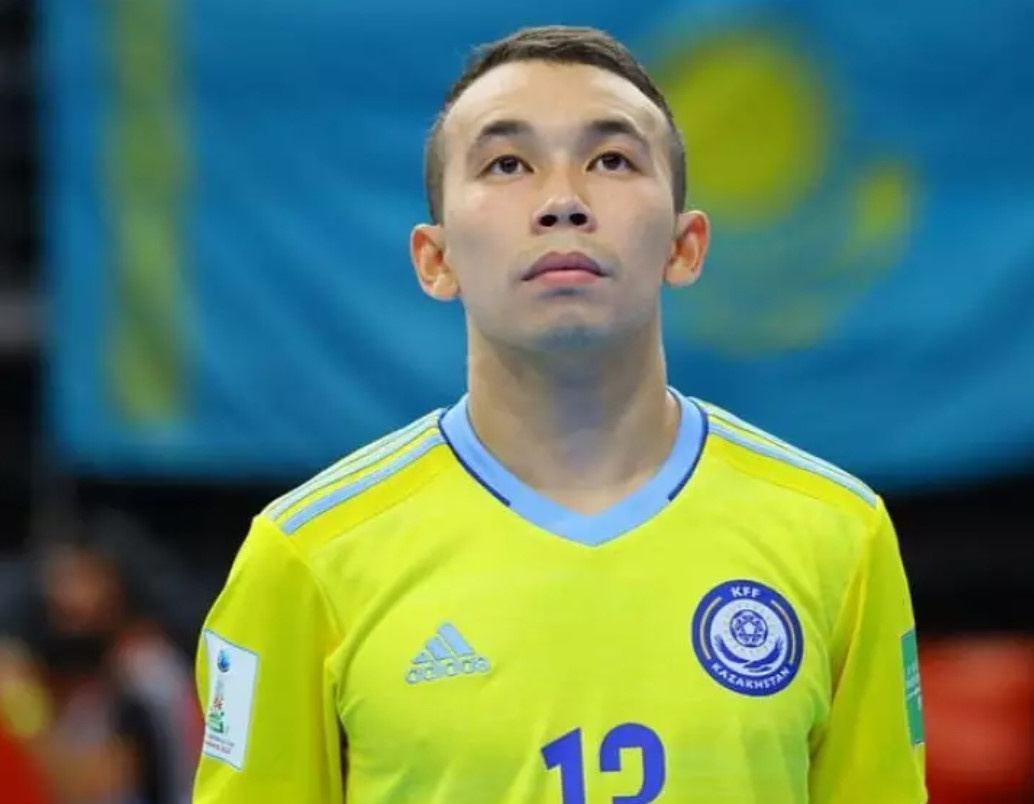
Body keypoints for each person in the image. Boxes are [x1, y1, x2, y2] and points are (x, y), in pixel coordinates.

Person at [192, 25, 926, 803]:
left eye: (610, 160)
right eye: (507, 164)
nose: (563, 202)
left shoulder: (839, 536)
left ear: (684, 245)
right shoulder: (305, 557)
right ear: (435, 259)